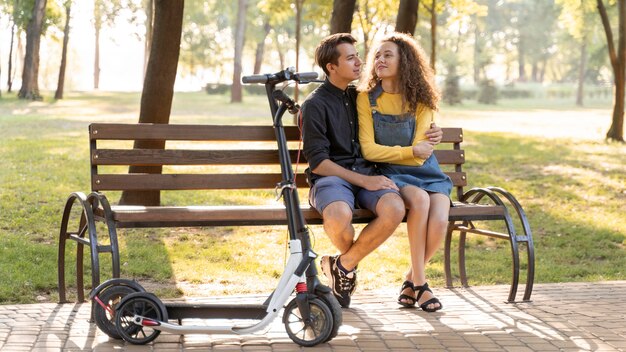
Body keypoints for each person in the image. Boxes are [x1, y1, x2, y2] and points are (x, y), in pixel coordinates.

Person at [301, 33, 443, 308]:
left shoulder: (360, 96)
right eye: (351, 58)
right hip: (333, 178)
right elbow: (318, 162)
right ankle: (348, 268)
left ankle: (342, 265)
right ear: (332, 67)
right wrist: (365, 181)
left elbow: (403, 110)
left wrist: (434, 132)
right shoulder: (314, 105)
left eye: (358, 56)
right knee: (340, 215)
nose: (360, 62)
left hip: (369, 175)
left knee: (395, 208)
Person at [356, 32, 452, 312]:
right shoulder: (366, 99)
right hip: (392, 174)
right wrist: (410, 151)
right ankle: (421, 284)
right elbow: (369, 151)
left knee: (440, 219)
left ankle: (410, 280)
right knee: (420, 200)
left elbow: (423, 155)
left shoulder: (421, 99)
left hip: (428, 173)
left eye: (388, 55)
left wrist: (417, 151)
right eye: (378, 55)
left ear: (405, 62)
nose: (380, 60)